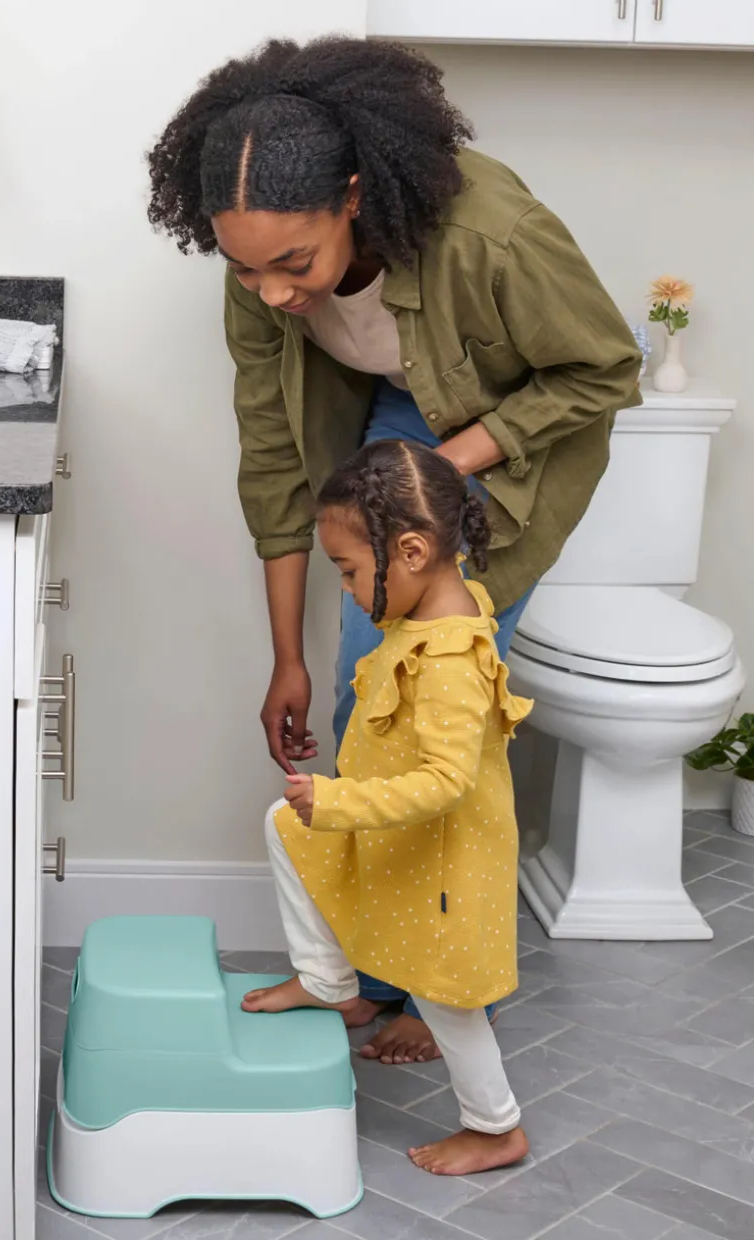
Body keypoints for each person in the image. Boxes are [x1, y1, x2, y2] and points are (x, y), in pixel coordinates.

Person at [147, 36, 642, 1064]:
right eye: (244, 267)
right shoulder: (258, 275)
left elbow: (600, 373)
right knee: (353, 703)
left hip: (512, 441)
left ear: (357, 198)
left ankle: (450, 990)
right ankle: (360, 981)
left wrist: (440, 466)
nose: (274, 292)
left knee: (437, 730)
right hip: (396, 413)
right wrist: (283, 651)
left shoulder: (490, 235)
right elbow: (276, 459)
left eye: (295, 265)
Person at [244, 439, 532, 1175]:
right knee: (286, 827)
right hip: (397, 834)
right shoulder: (433, 602)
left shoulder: (449, 660)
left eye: (348, 571)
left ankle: (495, 1127)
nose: (344, 588)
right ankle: (328, 980)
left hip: (441, 857)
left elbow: (447, 782)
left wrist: (338, 799)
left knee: (446, 1004)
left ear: (409, 551)